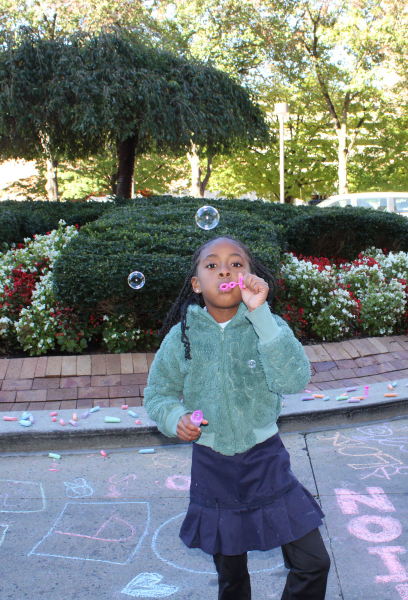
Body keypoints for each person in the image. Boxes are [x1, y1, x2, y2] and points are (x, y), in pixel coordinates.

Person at [144, 235, 330, 600]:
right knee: (231, 579)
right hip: (213, 468)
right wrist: (175, 417)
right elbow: (158, 394)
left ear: (249, 277)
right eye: (212, 265)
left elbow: (294, 379)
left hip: (266, 461)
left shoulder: (267, 324)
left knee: (313, 562)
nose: (225, 269)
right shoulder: (181, 336)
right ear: (197, 284)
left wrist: (260, 313)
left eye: (236, 263)